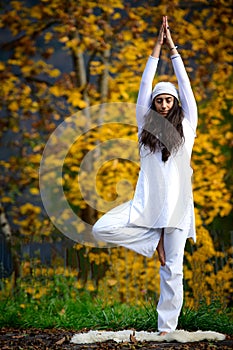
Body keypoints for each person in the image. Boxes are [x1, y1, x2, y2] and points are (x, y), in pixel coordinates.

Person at [93, 16, 198, 335]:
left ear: (176, 103)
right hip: (145, 205)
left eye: (168, 99)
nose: (163, 104)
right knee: (101, 228)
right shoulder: (145, 129)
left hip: (178, 209)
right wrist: (156, 46)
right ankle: (152, 240)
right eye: (158, 100)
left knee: (172, 270)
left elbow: (187, 87)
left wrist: (173, 50)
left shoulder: (188, 127)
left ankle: (167, 328)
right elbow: (143, 86)